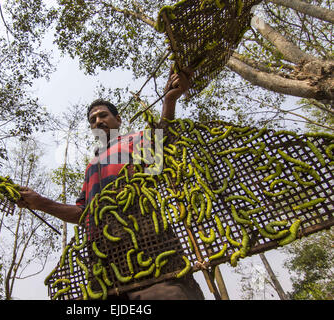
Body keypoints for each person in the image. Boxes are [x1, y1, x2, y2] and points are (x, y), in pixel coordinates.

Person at [16, 67, 205, 300]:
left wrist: (169, 100)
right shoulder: (91, 166)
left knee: (167, 293)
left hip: (145, 233)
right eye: (93, 120)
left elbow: (162, 143)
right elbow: (82, 214)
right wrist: (40, 202)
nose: (98, 121)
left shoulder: (135, 140)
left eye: (103, 115)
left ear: (118, 119)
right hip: (103, 250)